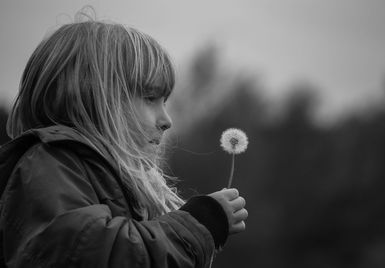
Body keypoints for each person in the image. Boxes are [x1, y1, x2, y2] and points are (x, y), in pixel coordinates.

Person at [0, 13, 248, 268]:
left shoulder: (106, 179)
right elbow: (86, 254)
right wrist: (196, 225)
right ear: (92, 98)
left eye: (165, 102)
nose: (166, 120)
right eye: (150, 98)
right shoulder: (49, 166)